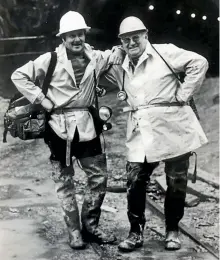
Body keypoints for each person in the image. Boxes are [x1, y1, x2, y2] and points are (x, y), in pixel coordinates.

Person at [11, 11, 122, 250]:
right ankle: (74, 231)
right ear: (63, 38)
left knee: (99, 177)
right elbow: (19, 76)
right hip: (58, 127)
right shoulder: (49, 59)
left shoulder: (96, 57)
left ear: (85, 34)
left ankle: (90, 226)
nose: (76, 39)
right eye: (71, 35)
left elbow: (117, 55)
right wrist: (42, 99)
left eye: (80, 34)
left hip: (88, 125)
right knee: (64, 181)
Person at [104, 16, 209, 252]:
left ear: (146, 35)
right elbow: (95, 66)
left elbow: (199, 63)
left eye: (136, 37)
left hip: (173, 126)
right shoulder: (119, 63)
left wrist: (183, 93)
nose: (131, 43)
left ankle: (172, 230)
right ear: (121, 42)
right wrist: (111, 55)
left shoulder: (164, 53)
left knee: (176, 181)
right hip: (141, 129)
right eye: (126, 40)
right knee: (134, 180)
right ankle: (135, 232)